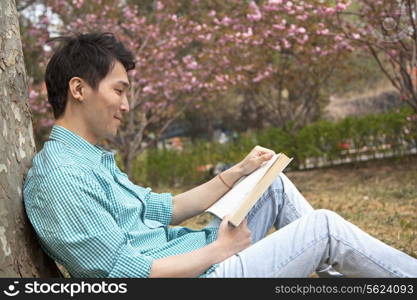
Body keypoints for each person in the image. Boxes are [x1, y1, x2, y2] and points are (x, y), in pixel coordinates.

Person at [23, 32, 417, 278]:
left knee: (271, 184)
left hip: (199, 254)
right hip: (202, 275)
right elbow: (123, 274)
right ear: (79, 89)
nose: (127, 105)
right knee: (324, 229)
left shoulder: (88, 160)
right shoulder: (60, 176)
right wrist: (220, 249)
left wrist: (238, 173)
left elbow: (162, 209)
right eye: (120, 90)